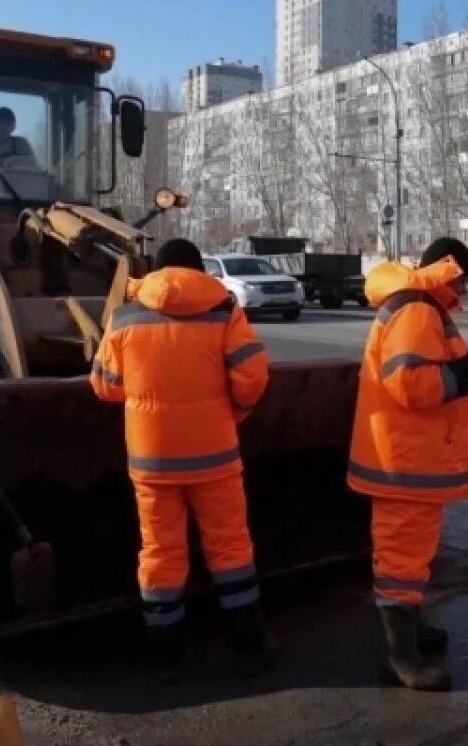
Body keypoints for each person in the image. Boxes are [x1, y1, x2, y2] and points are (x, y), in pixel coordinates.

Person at [90, 238, 274, 684]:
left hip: (152, 462)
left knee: (161, 552)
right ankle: (247, 647)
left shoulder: (126, 315)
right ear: (199, 269)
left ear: (155, 269)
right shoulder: (224, 310)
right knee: (230, 547)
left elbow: (105, 386)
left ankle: (168, 656)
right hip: (215, 456)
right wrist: (230, 415)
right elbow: (252, 375)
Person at [348, 237, 468, 692]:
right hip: (404, 462)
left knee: (412, 555)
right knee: (401, 559)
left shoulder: (421, 306)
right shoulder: (416, 308)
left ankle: (410, 631)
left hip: (411, 460)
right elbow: (412, 384)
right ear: (450, 270)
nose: (464, 288)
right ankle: (400, 659)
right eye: (464, 278)